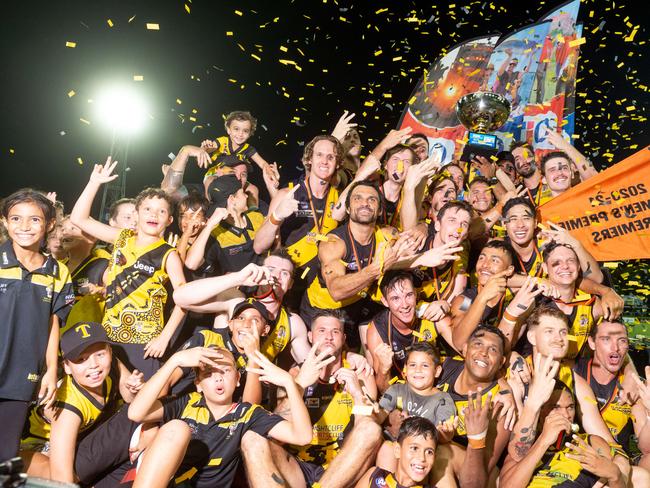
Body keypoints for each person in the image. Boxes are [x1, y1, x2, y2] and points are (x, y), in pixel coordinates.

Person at [301, 180, 461, 348]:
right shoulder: (334, 242)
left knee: (354, 364)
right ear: (348, 208)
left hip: (358, 307)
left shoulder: (386, 234)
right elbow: (336, 290)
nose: (365, 203)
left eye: (372, 199)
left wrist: (422, 228)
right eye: (357, 198)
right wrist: (379, 267)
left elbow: (409, 240)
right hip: (321, 310)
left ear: (379, 211)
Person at [127, 345, 312, 488]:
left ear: (238, 379)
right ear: (198, 384)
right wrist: (174, 361)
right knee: (176, 428)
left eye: (225, 370)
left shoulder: (247, 414)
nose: (218, 378)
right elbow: (136, 413)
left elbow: (302, 436)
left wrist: (289, 383)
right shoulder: (187, 403)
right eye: (209, 373)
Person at [70, 157, 187, 379]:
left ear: (169, 219)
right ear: (137, 214)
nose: (154, 215)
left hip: (145, 342)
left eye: (161, 211)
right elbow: (79, 218)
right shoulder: (122, 238)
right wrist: (94, 182)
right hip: (109, 337)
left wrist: (164, 338)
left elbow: (184, 300)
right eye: (148, 209)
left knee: (139, 405)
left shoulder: (168, 255)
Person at [265, 310, 383, 488]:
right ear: (310, 337)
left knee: (372, 430)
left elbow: (368, 429)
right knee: (263, 436)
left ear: (343, 339)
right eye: (322, 331)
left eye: (335, 331)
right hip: (298, 465)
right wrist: (300, 386)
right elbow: (277, 428)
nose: (328, 337)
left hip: (340, 467)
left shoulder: (360, 373)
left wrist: (358, 395)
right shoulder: (296, 373)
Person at [0, 189, 74, 461]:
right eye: (16, 219)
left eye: (34, 220)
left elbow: (53, 323)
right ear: (5, 222)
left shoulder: (58, 272)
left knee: (6, 452)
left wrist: (51, 371)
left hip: (22, 375)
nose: (24, 227)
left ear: (50, 224)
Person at [20, 321, 144, 483]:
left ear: (110, 352)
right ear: (67, 367)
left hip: (78, 436)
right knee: (67, 473)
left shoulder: (111, 364)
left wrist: (134, 389)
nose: (94, 365)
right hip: (35, 446)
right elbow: (61, 479)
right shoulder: (68, 407)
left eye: (100, 354)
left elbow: (134, 400)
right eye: (81, 359)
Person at [507, 306, 625, 467]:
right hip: (520, 463)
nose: (559, 338)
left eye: (563, 332)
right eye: (549, 331)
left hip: (560, 459)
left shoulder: (575, 381)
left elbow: (604, 438)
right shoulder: (516, 374)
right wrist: (534, 402)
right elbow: (517, 453)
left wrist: (620, 461)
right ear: (532, 337)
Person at [253, 134, 347, 305]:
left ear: (338, 163)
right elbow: (259, 246)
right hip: (285, 286)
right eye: (319, 155)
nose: (325, 161)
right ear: (309, 159)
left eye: (330, 157)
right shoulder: (286, 194)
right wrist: (277, 216)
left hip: (319, 290)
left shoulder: (339, 200)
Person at [500, 381, 628, 488]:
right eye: (555, 407)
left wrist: (615, 475)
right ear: (540, 411)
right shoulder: (524, 445)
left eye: (570, 407)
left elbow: (616, 478)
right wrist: (543, 442)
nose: (566, 415)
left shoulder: (590, 442)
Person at [435, 325, 512, 478]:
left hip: (463, 471)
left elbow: (481, 474)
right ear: (464, 349)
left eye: (493, 350)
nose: (484, 353)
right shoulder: (444, 367)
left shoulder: (499, 405)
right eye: (478, 344)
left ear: (502, 361)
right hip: (420, 455)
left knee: (442, 453)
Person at [574, 320, 650, 469]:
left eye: (622, 341)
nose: (615, 348)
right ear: (592, 342)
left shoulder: (635, 386)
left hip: (619, 459)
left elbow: (645, 447)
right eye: (606, 339)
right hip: (579, 454)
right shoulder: (575, 371)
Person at [366, 272, 456, 392]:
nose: (404, 305)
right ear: (385, 302)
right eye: (395, 298)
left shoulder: (431, 313)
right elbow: (383, 390)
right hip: (400, 390)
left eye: (409, 295)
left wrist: (449, 307)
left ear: (416, 294)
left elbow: (464, 348)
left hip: (432, 382)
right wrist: (383, 369)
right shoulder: (377, 329)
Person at [186, 175, 264, 274]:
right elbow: (191, 264)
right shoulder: (217, 233)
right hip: (236, 288)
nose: (247, 196)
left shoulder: (256, 217)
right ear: (232, 199)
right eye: (243, 193)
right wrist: (209, 226)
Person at [450, 240, 516, 351]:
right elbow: (459, 343)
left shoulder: (514, 295)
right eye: (481, 258)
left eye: (494, 260)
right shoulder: (466, 301)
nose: (485, 265)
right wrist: (482, 297)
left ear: (509, 270)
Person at [200, 111, 280, 196]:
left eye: (245, 131)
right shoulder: (222, 141)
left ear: (249, 134)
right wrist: (205, 148)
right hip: (218, 173)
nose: (240, 134)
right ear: (228, 130)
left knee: (253, 189)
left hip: (237, 177)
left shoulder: (248, 149)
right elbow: (209, 149)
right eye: (236, 129)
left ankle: (251, 209)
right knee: (209, 180)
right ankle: (208, 203)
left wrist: (272, 175)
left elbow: (263, 163)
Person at [355, 417, 440, 488]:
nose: (422, 458)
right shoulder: (374, 476)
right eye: (414, 448)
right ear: (397, 450)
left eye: (429, 452)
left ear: (435, 458)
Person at [60, 216, 110, 331]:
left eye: (73, 228)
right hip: (59, 337)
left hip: (86, 339)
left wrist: (99, 290)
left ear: (92, 237)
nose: (65, 232)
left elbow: (118, 295)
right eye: (63, 229)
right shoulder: (58, 267)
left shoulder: (103, 266)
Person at [510, 141, 551, 207]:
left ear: (535, 157)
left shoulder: (553, 180)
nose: (524, 161)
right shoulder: (516, 192)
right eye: (517, 159)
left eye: (526, 155)